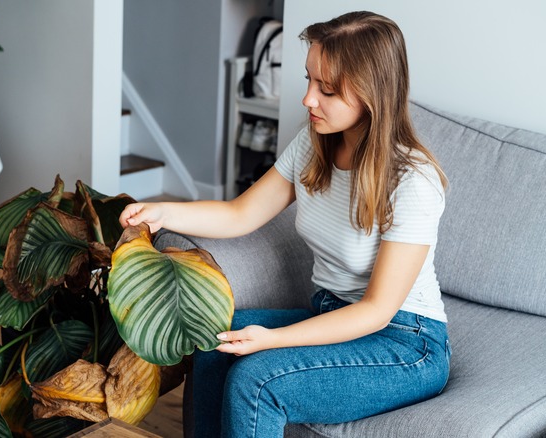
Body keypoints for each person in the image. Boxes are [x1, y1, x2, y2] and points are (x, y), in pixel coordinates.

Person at [119, 11, 450, 438]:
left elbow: (376, 311)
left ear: (372, 94)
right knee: (214, 342)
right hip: (331, 311)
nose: (308, 99)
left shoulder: (412, 180)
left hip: (405, 343)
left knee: (257, 380)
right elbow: (241, 214)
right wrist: (163, 211)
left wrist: (274, 339)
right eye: (309, 79)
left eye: (326, 89)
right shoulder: (313, 145)